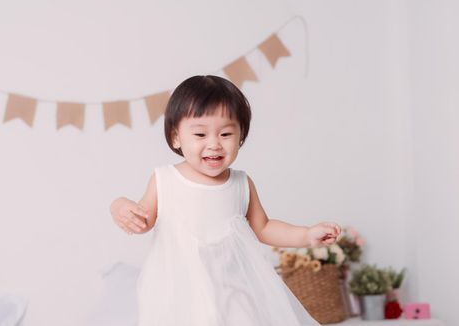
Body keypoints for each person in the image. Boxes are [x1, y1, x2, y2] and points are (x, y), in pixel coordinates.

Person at [110, 75, 341, 326]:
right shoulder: (165, 179)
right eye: (200, 134)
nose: (214, 144)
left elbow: (263, 227)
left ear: (241, 135)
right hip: (180, 293)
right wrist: (120, 206)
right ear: (176, 137)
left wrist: (306, 235)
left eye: (225, 133)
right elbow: (142, 220)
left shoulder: (241, 183)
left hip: (234, 289)